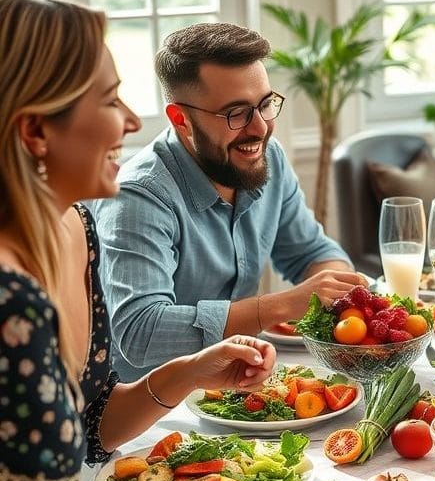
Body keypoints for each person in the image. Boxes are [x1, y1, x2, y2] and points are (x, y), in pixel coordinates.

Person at [0, 0, 282, 481]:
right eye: (109, 100)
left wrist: (189, 370)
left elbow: (94, 424)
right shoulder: (8, 302)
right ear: (35, 130)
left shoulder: (74, 228)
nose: (132, 121)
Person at [92, 22, 362, 381]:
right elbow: (141, 331)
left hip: (241, 384)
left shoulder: (266, 157)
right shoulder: (138, 196)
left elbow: (309, 252)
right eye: (236, 113)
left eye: (265, 105)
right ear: (181, 119)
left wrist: (344, 292)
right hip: (153, 411)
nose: (260, 128)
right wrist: (279, 305)